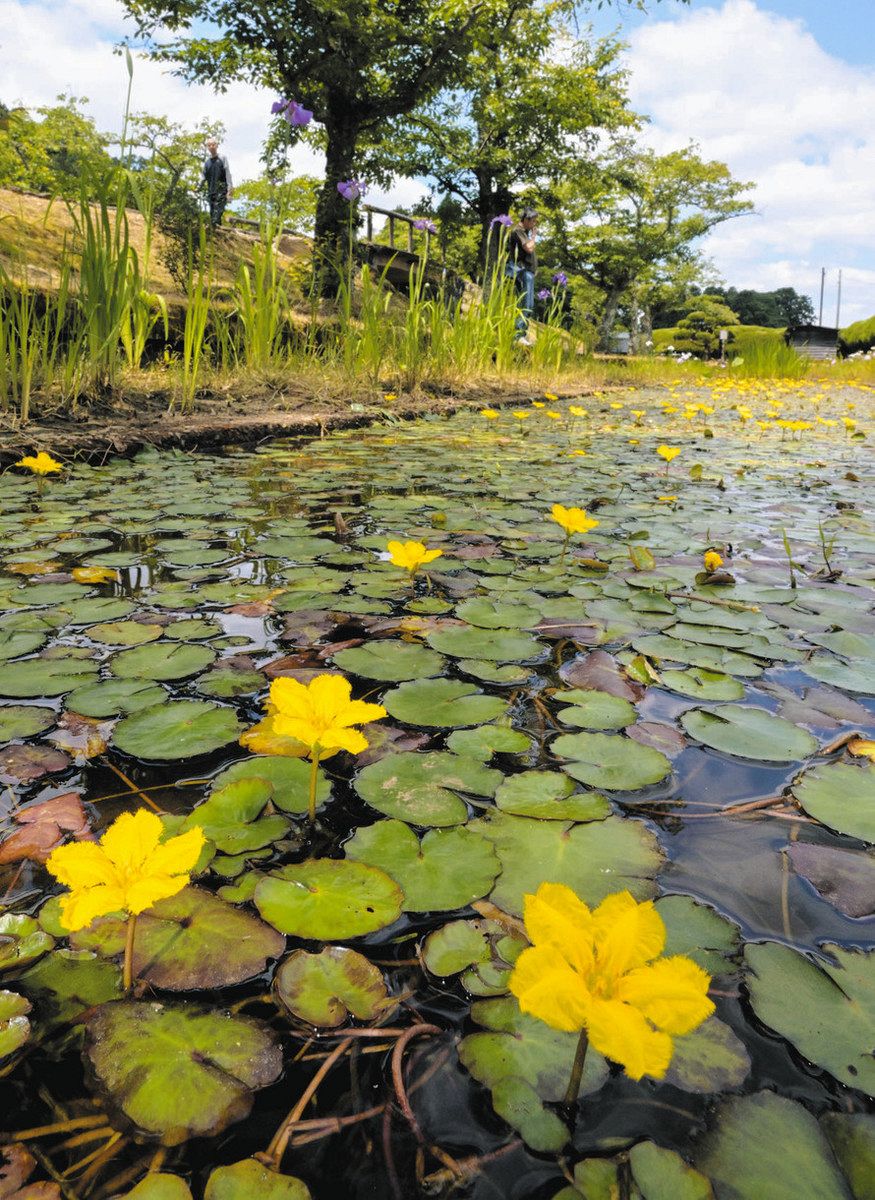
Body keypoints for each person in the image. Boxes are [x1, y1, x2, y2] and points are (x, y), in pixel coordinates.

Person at [506, 207, 538, 343]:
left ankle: (520, 335)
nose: (534, 224)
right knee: (526, 304)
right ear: (526, 220)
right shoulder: (518, 231)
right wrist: (534, 236)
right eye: (533, 221)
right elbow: (529, 248)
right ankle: (518, 336)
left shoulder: (523, 232)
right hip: (522, 272)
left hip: (527, 273)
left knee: (528, 305)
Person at [202, 138, 233, 227]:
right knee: (212, 213)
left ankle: (214, 226)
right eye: (209, 145)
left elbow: (227, 174)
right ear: (207, 147)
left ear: (217, 146)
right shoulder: (207, 163)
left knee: (217, 212)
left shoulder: (222, 158)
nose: (211, 147)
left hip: (222, 190)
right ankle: (217, 231)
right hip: (211, 191)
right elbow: (203, 177)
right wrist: (198, 188)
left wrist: (230, 189)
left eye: (213, 144)